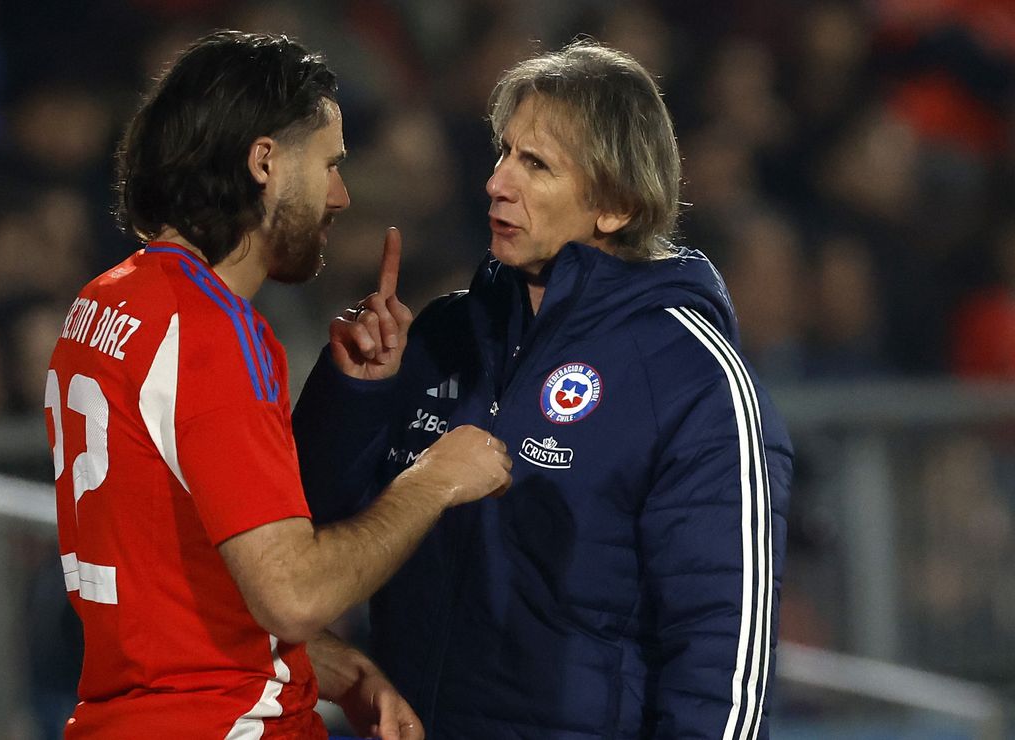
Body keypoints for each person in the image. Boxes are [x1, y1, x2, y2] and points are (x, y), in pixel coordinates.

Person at [294, 40, 794, 738]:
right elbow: (305, 534)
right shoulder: (438, 336)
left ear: (615, 204)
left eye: (537, 165)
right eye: (504, 153)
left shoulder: (694, 378)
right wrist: (356, 395)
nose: (498, 182)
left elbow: (722, 654)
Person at [44, 30, 512, 740]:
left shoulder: (105, 304)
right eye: (328, 164)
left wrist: (340, 671)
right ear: (265, 161)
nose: (341, 195)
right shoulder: (208, 330)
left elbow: (193, 600)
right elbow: (292, 594)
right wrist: (434, 479)